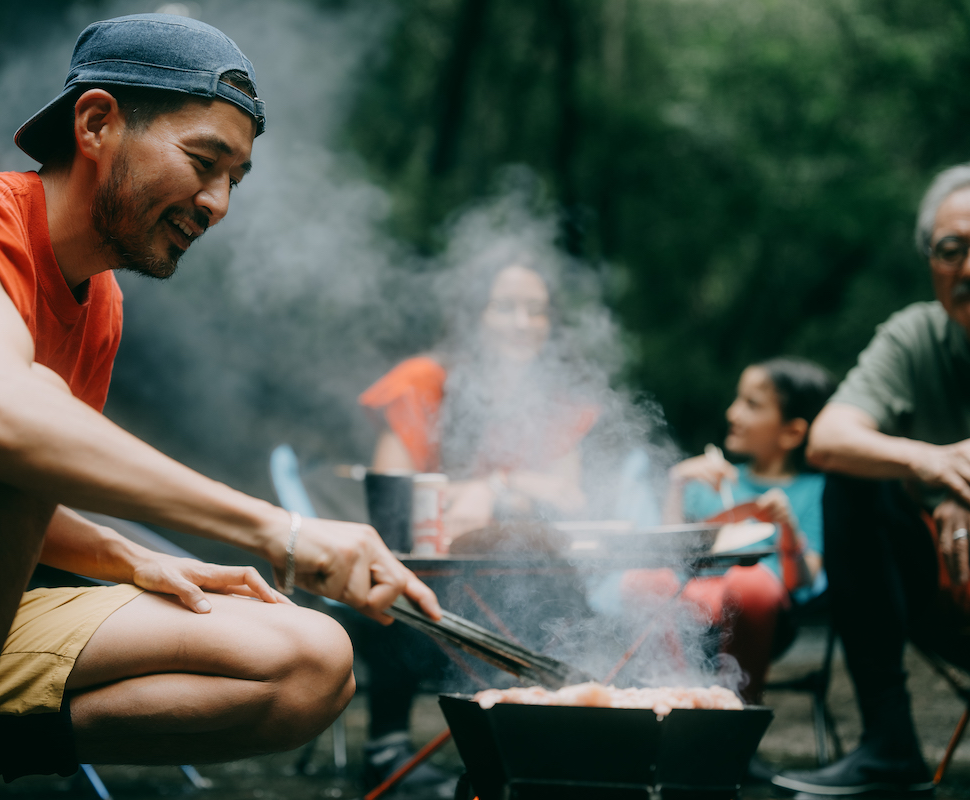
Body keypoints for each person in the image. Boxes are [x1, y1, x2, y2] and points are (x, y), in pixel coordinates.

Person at [0, 14, 439, 800]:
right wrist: (279, 533)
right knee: (29, 411)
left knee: (308, 663)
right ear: (95, 123)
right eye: (203, 160)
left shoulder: (100, 307)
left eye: (236, 179)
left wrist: (131, 557)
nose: (218, 202)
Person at [352, 252, 595, 790]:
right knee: (391, 571)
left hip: (520, 577)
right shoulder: (423, 382)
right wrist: (507, 493)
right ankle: (387, 748)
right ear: (472, 314)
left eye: (536, 310)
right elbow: (393, 495)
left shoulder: (554, 401)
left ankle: (544, 740)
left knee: (553, 581)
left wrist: (496, 490)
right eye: (504, 306)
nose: (522, 323)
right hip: (428, 578)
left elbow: (570, 499)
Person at [772, 165, 970, 796]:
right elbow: (829, 439)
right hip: (946, 587)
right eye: (951, 250)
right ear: (931, 261)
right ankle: (889, 744)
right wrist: (931, 467)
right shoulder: (916, 335)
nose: (968, 268)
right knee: (854, 480)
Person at [636, 357, 832, 705]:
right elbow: (668, 553)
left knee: (750, 583)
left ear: (792, 433)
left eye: (751, 404)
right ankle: (675, 703)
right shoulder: (712, 481)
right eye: (737, 399)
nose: (733, 413)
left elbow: (803, 579)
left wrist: (787, 525)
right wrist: (678, 483)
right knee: (643, 581)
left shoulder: (815, 491)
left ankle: (734, 717)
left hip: (765, 618)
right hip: (690, 617)